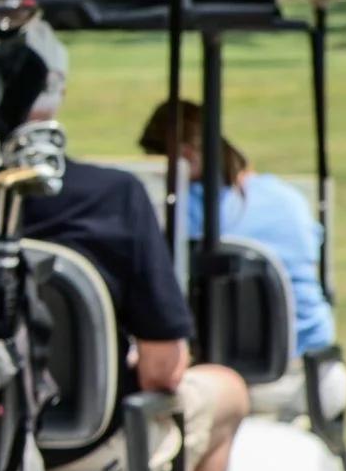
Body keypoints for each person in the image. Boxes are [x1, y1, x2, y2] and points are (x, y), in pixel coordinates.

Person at [0, 25, 246, 471]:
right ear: (57, 92)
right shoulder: (114, 197)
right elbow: (164, 367)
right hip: (86, 436)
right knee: (228, 390)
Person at [139, 98, 335, 356]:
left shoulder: (184, 211)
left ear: (184, 156)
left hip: (238, 361)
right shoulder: (290, 199)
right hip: (316, 361)